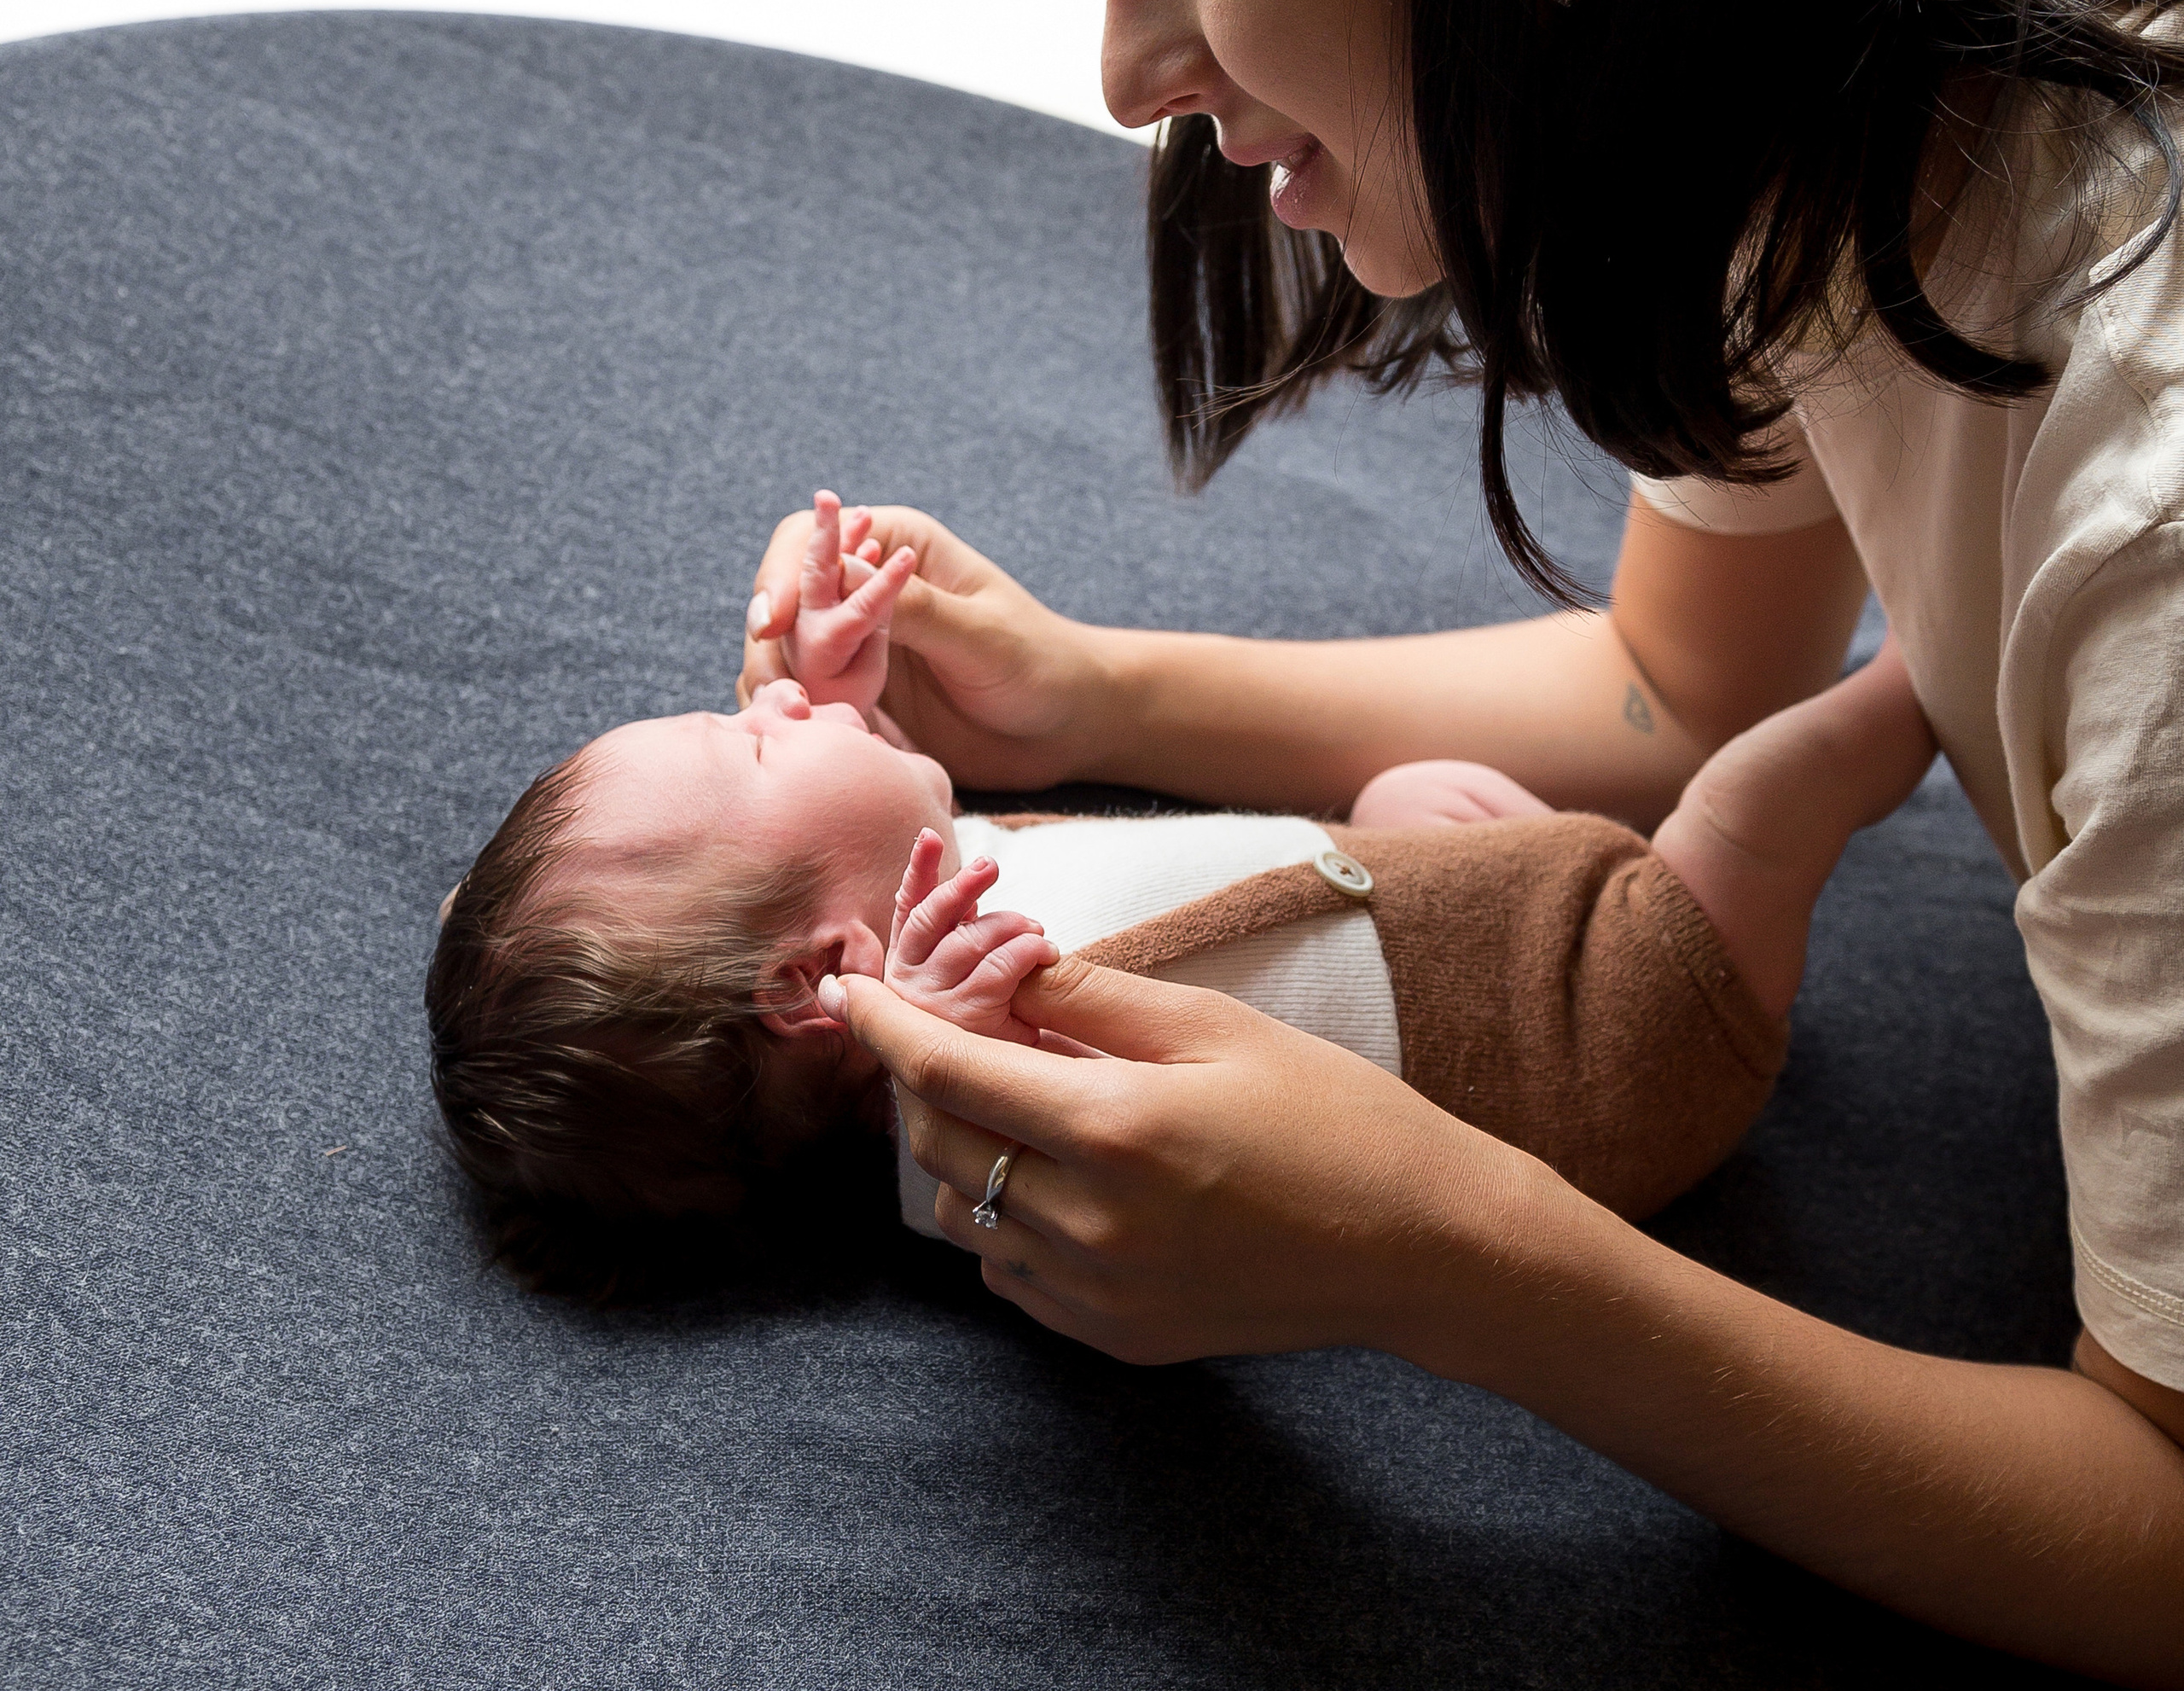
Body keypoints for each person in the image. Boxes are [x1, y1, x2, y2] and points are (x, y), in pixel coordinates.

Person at [741, 0, 2184, 1689]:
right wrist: (1092, 694)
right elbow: (1678, 691)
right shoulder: (1836, 17)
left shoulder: (2140, 486)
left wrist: (1446, 1250)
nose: (1124, 67)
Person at [427, 495, 1931, 1259]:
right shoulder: (965, 1129)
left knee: (1414, 799)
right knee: (1754, 801)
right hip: (1617, 1038)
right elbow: (1028, 1117)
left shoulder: (905, 921)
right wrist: (966, 1046)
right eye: (749, 742)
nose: (764, 696)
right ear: (822, 986)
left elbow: (865, 832)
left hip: (1445, 892)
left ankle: (1542, 853)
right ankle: (1936, 680)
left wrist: (837, 694)